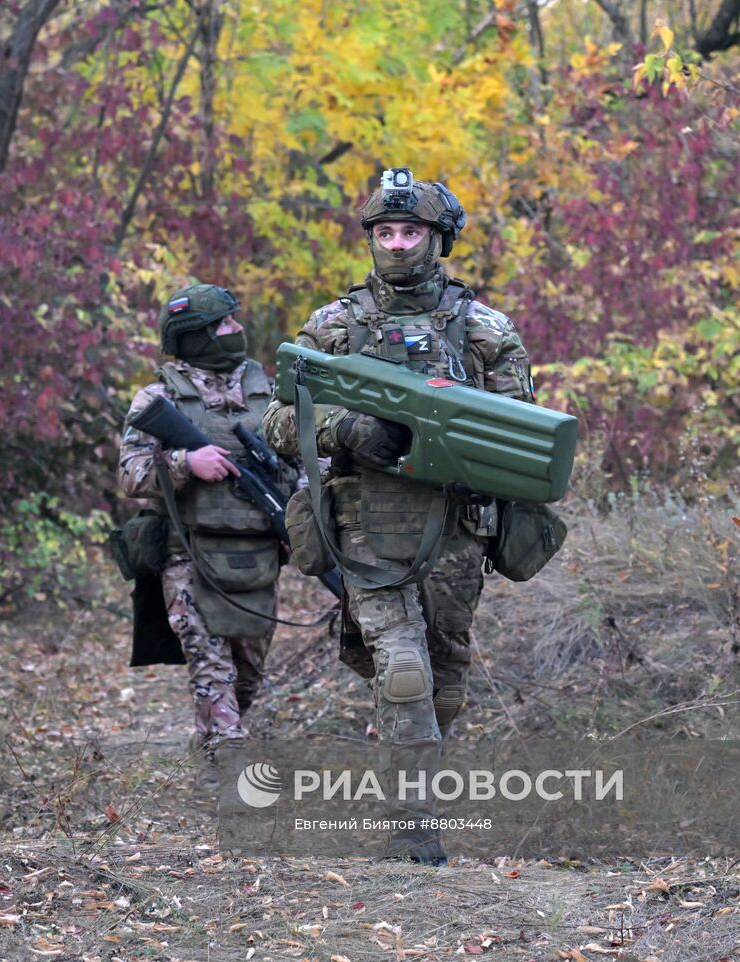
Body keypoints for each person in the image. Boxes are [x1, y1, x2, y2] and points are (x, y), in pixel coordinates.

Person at [262, 169, 535, 863]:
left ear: (438, 238)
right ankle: (412, 828)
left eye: (411, 231)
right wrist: (343, 431)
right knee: (404, 668)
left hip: (455, 530)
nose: (398, 243)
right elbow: (274, 421)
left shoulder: (484, 329)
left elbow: (525, 435)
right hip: (367, 528)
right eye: (385, 231)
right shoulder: (333, 325)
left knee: (443, 679)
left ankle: (418, 775)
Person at [117, 284, 285, 785]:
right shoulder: (158, 398)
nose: (236, 330)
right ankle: (235, 780)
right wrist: (184, 461)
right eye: (224, 325)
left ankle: (206, 750)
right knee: (213, 672)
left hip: (256, 554)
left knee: (246, 674)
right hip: (187, 554)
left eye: (235, 321)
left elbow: (302, 465)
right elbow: (129, 476)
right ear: (196, 337)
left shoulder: (270, 391)